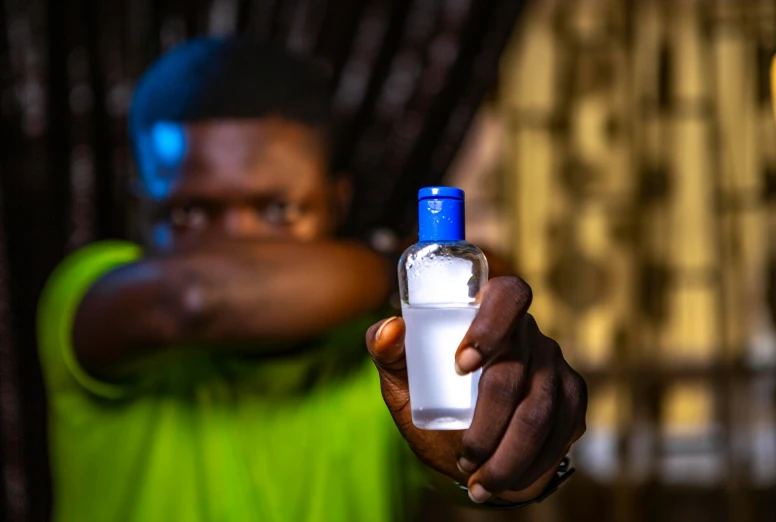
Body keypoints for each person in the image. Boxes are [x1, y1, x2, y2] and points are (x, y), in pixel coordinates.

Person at [37, 37, 587, 522]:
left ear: (336, 202)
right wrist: (427, 268)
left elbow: (481, 466)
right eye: (189, 214)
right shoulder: (89, 288)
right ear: (142, 213)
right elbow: (193, 296)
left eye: (278, 210)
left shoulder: (391, 346)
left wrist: (511, 454)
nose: (239, 247)